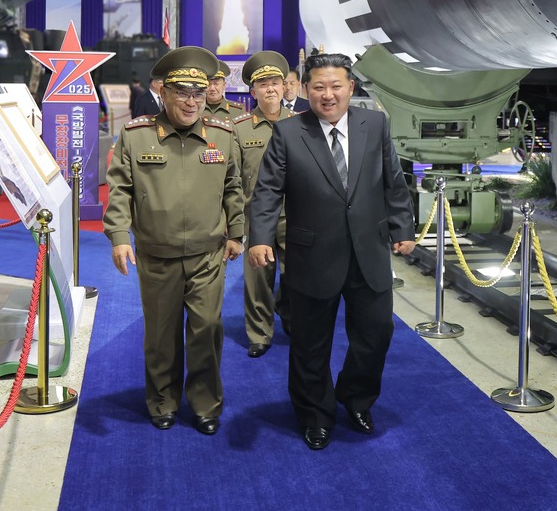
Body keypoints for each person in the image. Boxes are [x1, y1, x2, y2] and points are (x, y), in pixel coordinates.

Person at [248, 52, 416, 451]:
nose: (328, 95)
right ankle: (315, 415)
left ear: (350, 88)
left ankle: (356, 398)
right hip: (312, 255)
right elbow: (267, 190)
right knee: (310, 344)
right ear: (305, 90)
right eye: (319, 87)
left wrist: (403, 227)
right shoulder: (288, 132)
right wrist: (260, 237)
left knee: (376, 334)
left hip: (368, 252)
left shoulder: (375, 124)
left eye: (336, 86)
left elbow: (393, 181)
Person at [104, 45, 245, 435]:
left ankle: (205, 404)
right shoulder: (136, 135)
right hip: (157, 256)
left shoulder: (222, 135)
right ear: (163, 92)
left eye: (198, 93)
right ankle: (163, 401)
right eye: (181, 92)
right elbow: (120, 189)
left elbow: (233, 187)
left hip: (207, 255)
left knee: (207, 330)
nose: (191, 101)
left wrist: (237, 231)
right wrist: (119, 235)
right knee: (161, 335)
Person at [231, 51, 296, 359]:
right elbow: (232, 178)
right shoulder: (239, 128)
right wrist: (233, 223)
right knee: (258, 280)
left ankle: (287, 310)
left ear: (284, 87)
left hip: (295, 215)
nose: (270, 89)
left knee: (297, 276)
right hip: (256, 217)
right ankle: (259, 333)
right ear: (253, 91)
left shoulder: (300, 124)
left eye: (275, 83)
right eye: (263, 84)